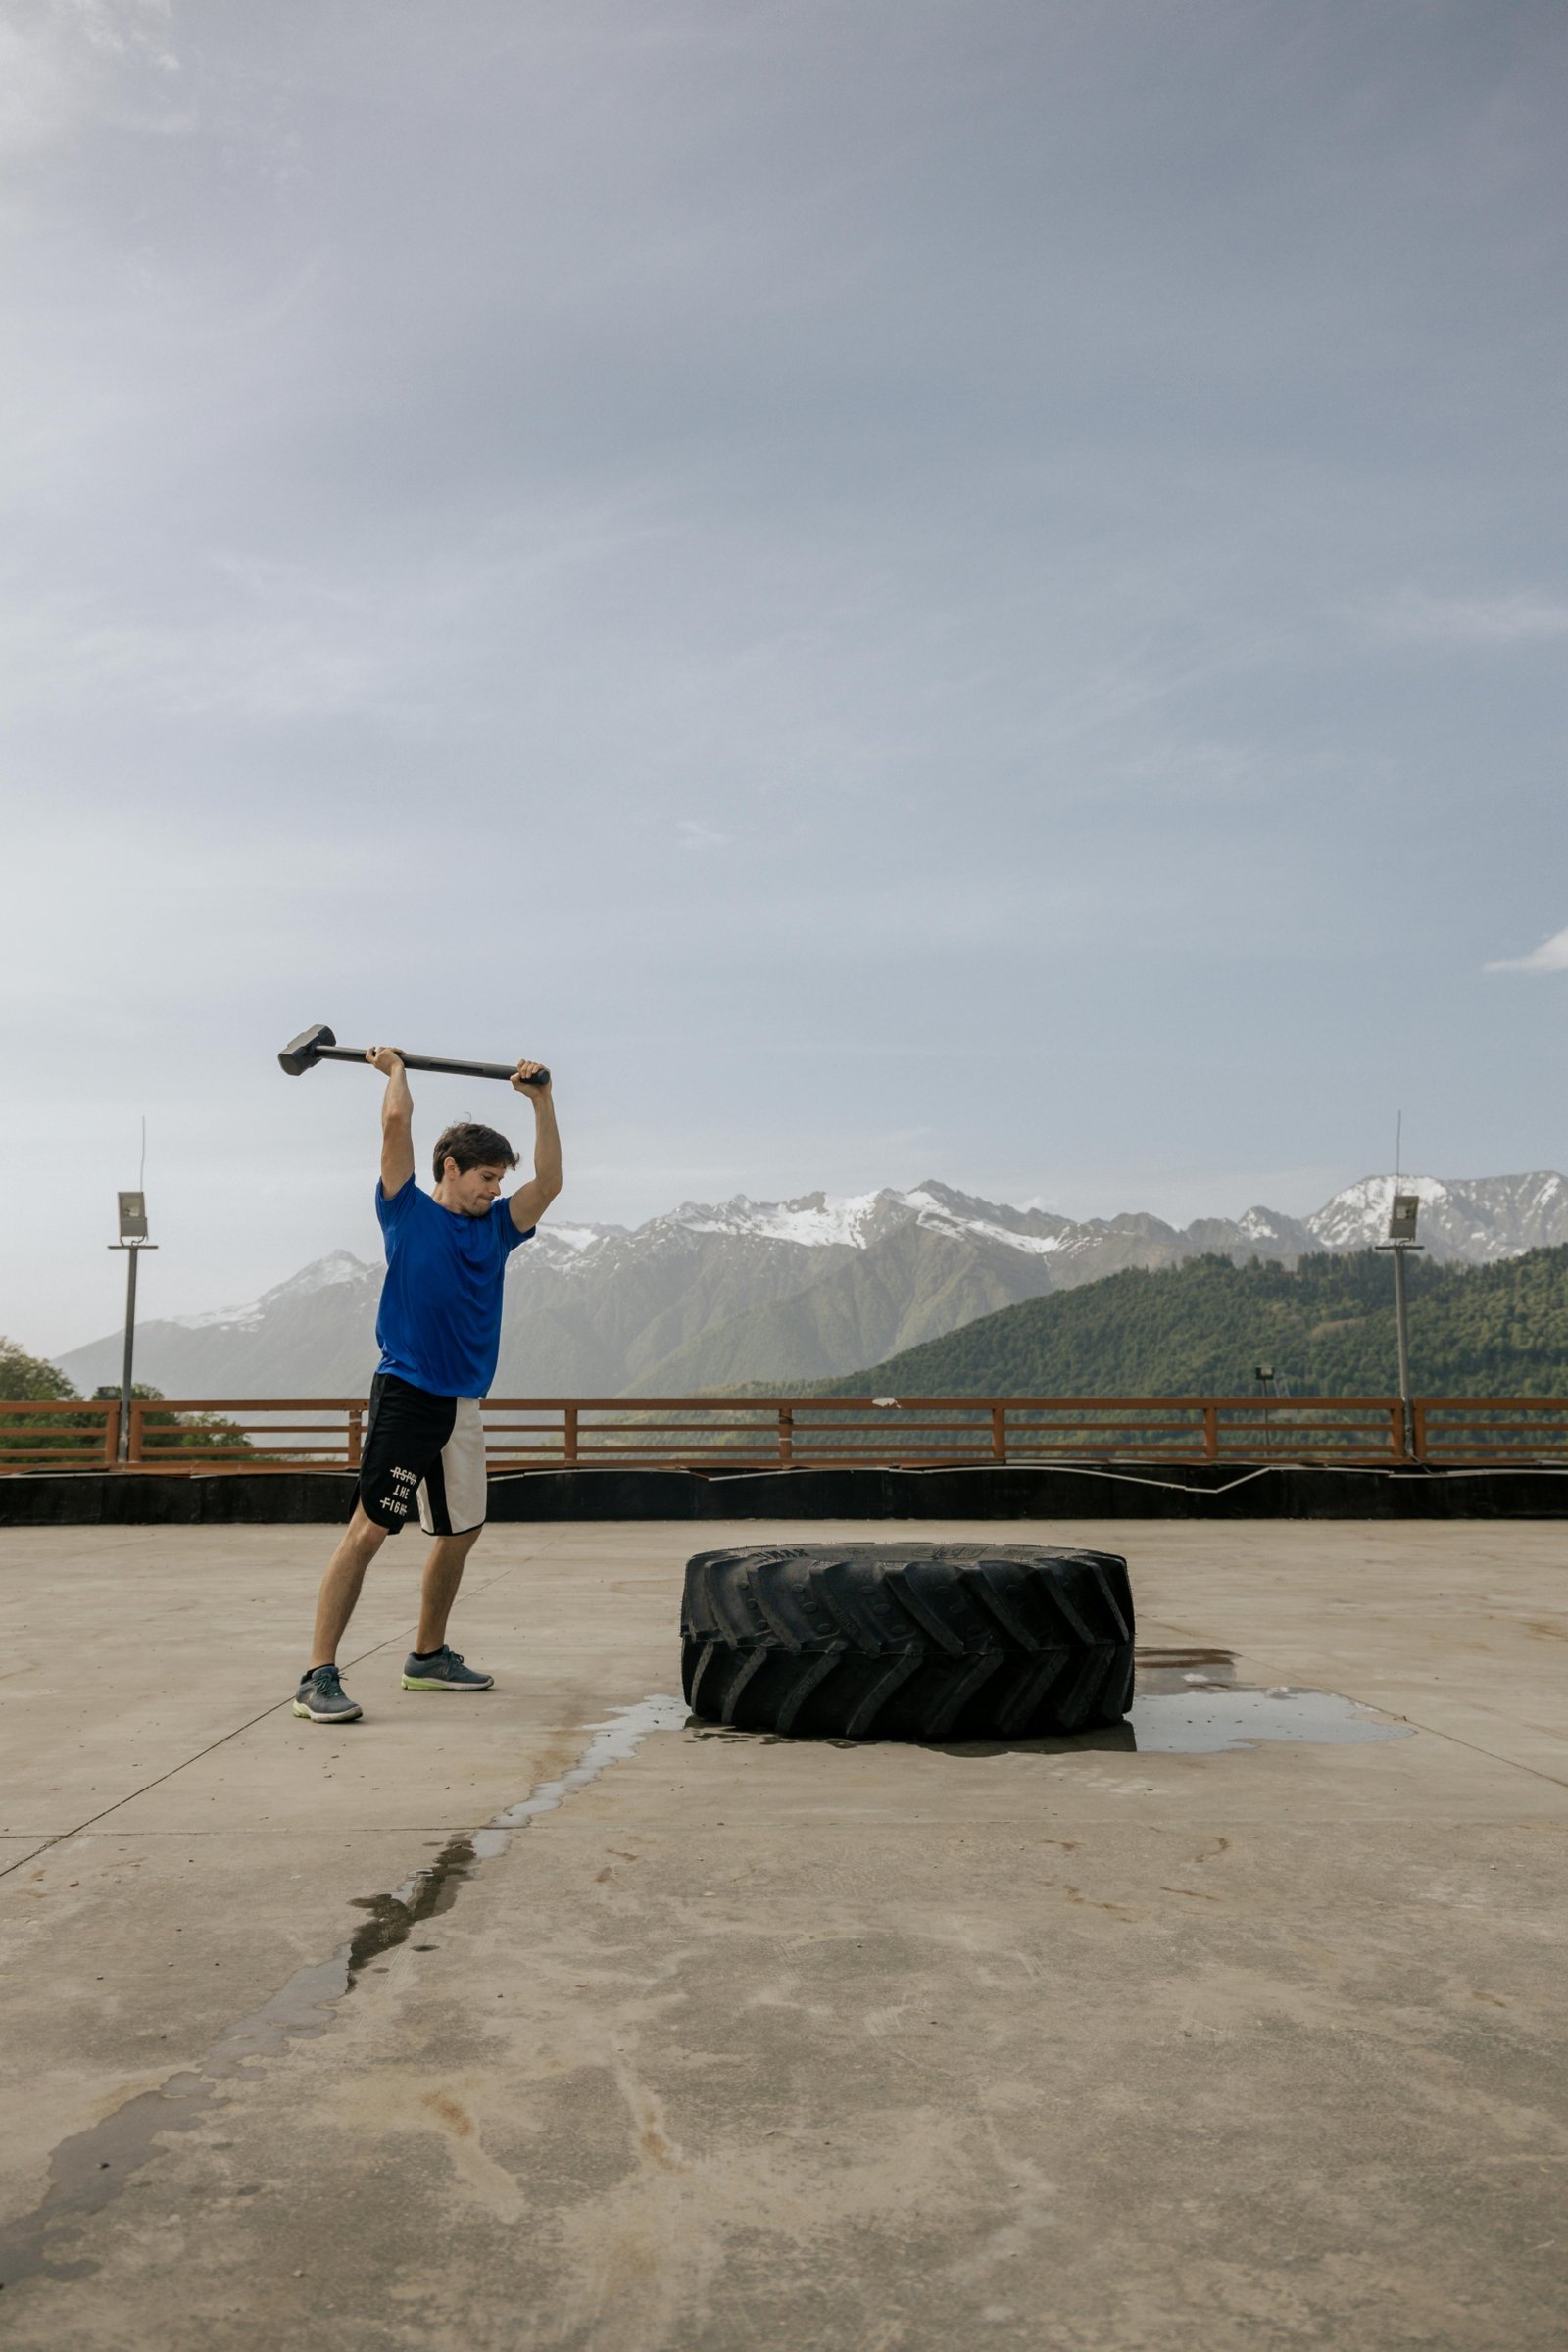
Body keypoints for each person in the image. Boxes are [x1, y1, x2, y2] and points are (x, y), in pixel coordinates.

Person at [292, 1048, 562, 1724]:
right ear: (450, 1168)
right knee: (369, 1531)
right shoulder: (405, 1211)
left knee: (462, 1530)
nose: (494, 1191)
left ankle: (427, 1656)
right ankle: (317, 1675)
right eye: (486, 1178)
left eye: (500, 1180)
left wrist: (542, 1102)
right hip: (409, 1393)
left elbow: (551, 1183)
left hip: (463, 1403)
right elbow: (395, 1133)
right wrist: (395, 1073)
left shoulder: (498, 1230)